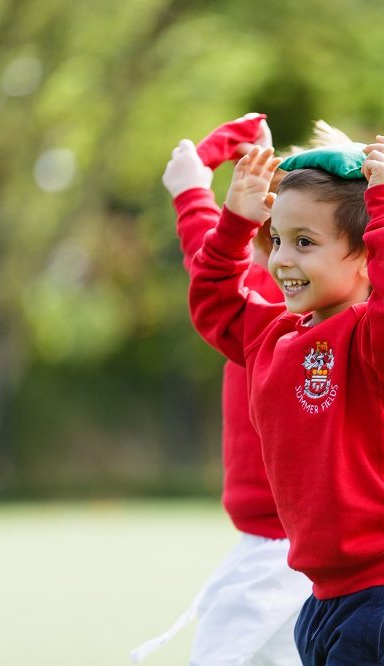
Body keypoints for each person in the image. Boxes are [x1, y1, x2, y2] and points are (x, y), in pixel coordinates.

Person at [187, 134, 384, 665]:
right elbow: (214, 302)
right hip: (322, 588)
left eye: (305, 242)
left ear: (367, 256)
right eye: (277, 239)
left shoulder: (373, 337)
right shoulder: (269, 335)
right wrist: (234, 221)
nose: (282, 258)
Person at [130, 114, 312, 665]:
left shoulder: (284, 309)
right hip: (293, 548)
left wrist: (192, 189)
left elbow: (209, 268)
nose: (281, 255)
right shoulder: (301, 302)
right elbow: (213, 264)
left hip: (279, 552)